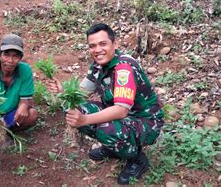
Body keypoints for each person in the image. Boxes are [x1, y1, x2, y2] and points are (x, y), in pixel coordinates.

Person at [56, 23, 164, 185]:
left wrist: (84, 120)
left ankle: (137, 159)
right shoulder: (98, 65)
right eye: (92, 46)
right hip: (123, 117)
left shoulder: (123, 69)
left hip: (146, 122)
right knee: (74, 108)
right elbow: (81, 94)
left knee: (107, 128)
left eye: (103, 44)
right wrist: (63, 93)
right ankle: (114, 147)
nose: (97, 50)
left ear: (115, 44)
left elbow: (120, 111)